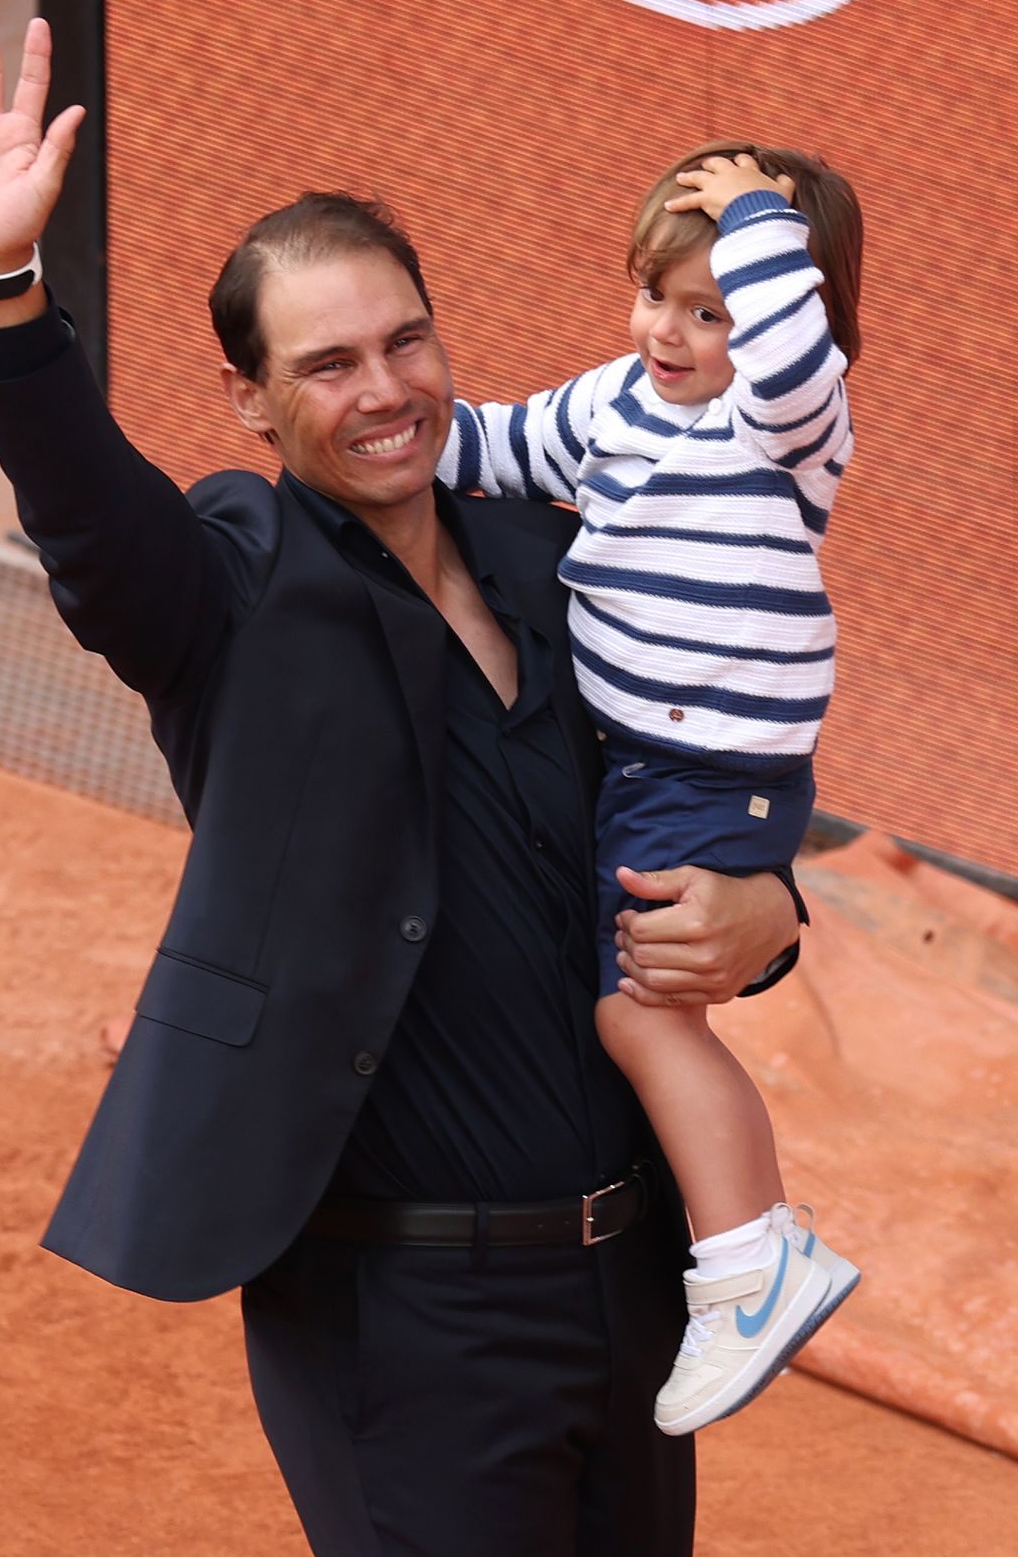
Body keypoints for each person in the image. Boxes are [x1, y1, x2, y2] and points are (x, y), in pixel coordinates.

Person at [0, 10, 805, 1556]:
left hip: (633, 1275)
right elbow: (94, 526)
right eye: (326, 365)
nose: (384, 389)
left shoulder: (557, 558)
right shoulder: (233, 590)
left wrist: (765, 908)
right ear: (254, 405)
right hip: (403, 1318)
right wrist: (6, 293)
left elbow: (709, 764)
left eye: (406, 341)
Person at [438, 142, 864, 1435]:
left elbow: (792, 357)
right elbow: (489, 447)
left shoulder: (785, 425)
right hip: (637, 772)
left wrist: (754, 221)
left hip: (714, 774)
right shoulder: (614, 406)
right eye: (654, 294)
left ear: (793, 315)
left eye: (713, 310)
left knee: (641, 1014)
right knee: (633, 1001)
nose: (669, 332)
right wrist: (366, 418)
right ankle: (746, 1253)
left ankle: (751, 1256)